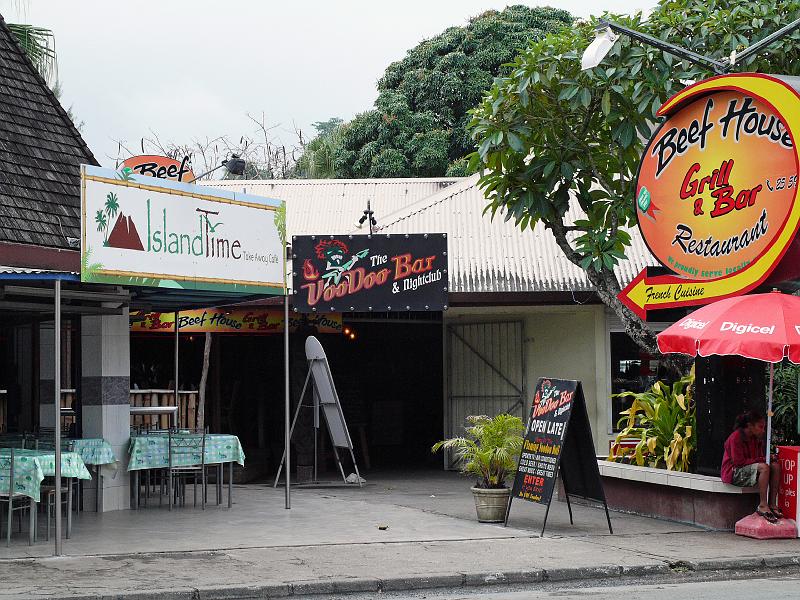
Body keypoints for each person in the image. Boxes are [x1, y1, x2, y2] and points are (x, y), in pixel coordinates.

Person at [720, 410, 782, 523]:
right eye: (760, 427)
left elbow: (758, 458)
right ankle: (763, 505)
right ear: (749, 426)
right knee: (764, 467)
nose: (763, 431)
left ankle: (772, 504)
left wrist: (768, 458)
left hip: (749, 468)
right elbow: (739, 462)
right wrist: (763, 459)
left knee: (775, 466)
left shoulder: (756, 439)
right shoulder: (736, 437)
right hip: (734, 472)